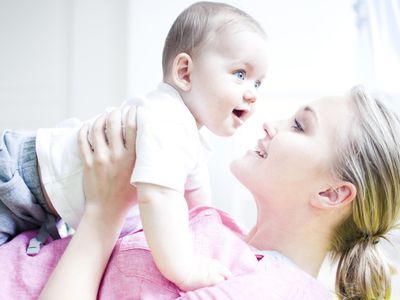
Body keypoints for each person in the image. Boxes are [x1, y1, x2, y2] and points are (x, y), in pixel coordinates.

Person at [1, 85, 398, 299]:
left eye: (299, 126)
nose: (269, 125)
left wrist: (103, 214)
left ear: (332, 194)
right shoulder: (224, 236)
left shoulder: (273, 292)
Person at [0, 2, 268, 290]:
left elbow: (197, 203)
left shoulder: (188, 133)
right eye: (240, 74)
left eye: (258, 83)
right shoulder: (167, 121)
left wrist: (206, 238)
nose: (252, 93)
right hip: (18, 177)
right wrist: (185, 268)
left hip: (42, 200)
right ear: (185, 73)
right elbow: (159, 198)